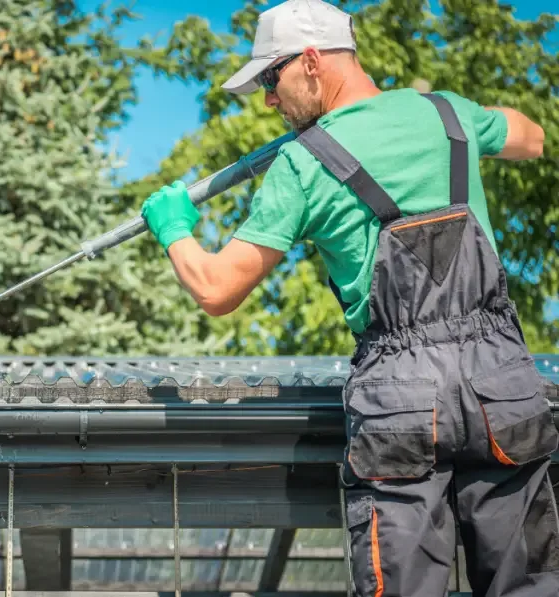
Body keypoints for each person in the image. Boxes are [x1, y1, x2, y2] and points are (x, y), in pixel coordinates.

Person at [139, 0, 558, 595]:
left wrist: (174, 229)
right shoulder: (447, 114)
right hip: (501, 381)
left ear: (311, 61)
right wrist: (464, 119)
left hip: (402, 396)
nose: (267, 99)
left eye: (269, 78)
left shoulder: (302, 164)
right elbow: (533, 139)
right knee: (533, 585)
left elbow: (215, 288)